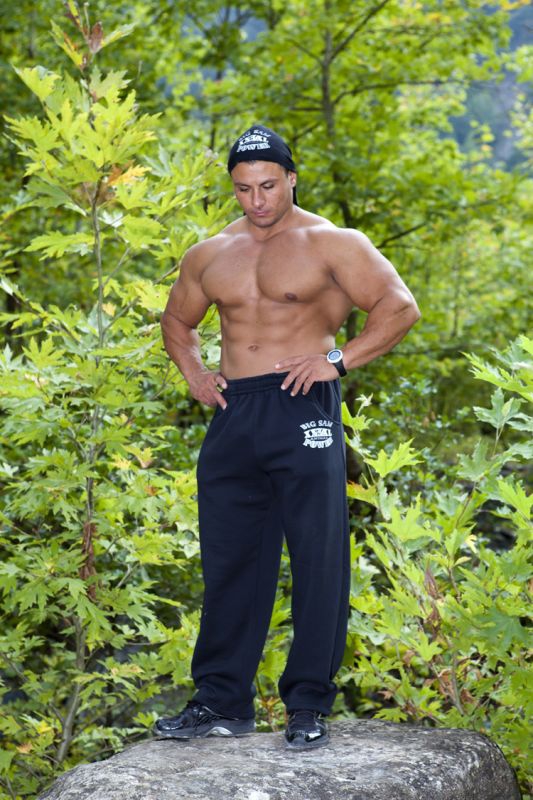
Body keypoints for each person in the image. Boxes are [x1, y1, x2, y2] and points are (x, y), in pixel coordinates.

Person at [155, 124, 420, 750]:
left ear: (292, 178)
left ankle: (307, 704)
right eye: (244, 188)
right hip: (235, 409)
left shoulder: (334, 243)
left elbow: (399, 306)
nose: (257, 200)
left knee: (316, 555)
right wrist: (195, 373)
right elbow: (176, 320)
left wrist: (337, 361)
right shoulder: (210, 253)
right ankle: (221, 701)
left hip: (304, 403)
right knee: (230, 559)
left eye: (269, 185)